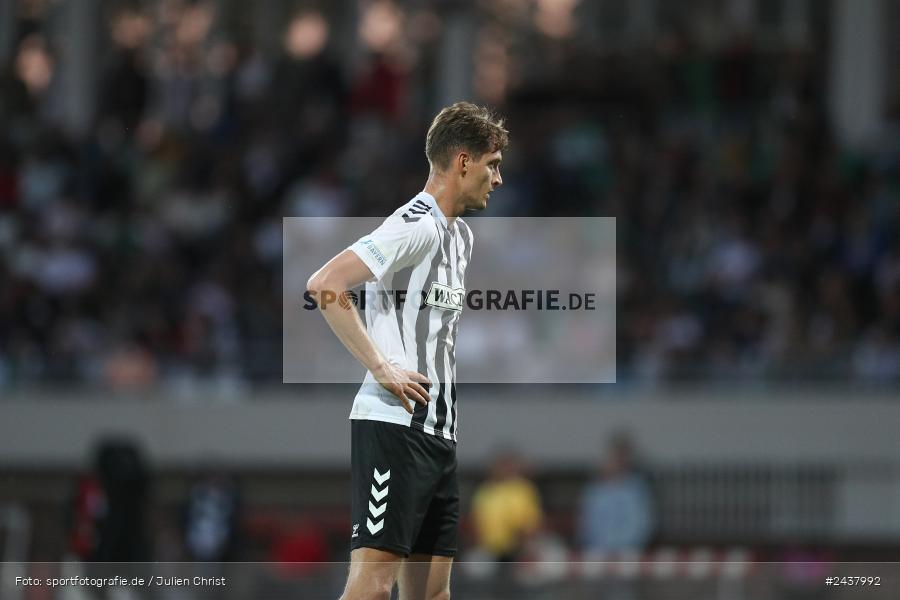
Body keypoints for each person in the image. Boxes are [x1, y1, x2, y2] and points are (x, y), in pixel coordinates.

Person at [307, 102, 507, 600]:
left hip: (439, 433)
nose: (498, 179)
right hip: (394, 428)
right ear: (463, 162)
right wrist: (382, 367)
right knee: (373, 588)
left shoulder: (460, 237)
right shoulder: (414, 223)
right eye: (493, 164)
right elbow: (326, 284)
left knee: (431, 596)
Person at [577, 432, 655, 555]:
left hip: (628, 551)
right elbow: (586, 523)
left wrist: (625, 546)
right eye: (615, 456)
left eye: (622, 456)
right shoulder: (594, 489)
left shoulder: (636, 488)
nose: (617, 461)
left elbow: (642, 523)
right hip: (596, 550)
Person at [470, 448, 543, 562]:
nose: (505, 469)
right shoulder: (485, 491)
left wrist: (525, 543)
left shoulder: (524, 489)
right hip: (489, 549)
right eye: (501, 465)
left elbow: (532, 523)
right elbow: (476, 522)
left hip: (519, 548)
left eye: (508, 465)